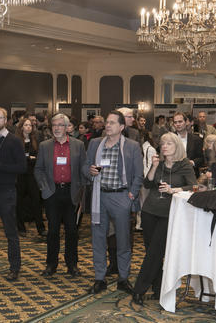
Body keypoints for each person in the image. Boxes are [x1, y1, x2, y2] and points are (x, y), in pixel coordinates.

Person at [132, 133, 197, 305]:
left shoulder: (184, 165)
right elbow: (147, 184)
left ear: (176, 146)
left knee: (154, 252)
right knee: (152, 253)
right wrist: (153, 167)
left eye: (169, 143)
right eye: (162, 143)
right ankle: (158, 288)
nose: (164, 146)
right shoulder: (159, 163)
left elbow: (194, 186)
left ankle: (139, 289)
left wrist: (174, 189)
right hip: (149, 211)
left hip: (170, 214)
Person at [82, 110, 143, 295]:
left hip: (121, 197)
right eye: (107, 122)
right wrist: (90, 171)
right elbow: (85, 167)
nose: (108, 125)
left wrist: (131, 195)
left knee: (123, 240)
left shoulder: (131, 146)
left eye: (112, 123)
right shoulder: (94, 144)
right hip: (99, 197)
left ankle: (123, 278)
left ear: (122, 127)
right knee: (98, 239)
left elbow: (139, 174)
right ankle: (99, 278)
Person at [34, 113, 86, 277]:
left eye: (60, 125)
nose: (56, 128)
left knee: (72, 231)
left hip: (71, 193)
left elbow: (83, 169)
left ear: (67, 127)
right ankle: (51, 264)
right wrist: (45, 189)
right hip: (52, 193)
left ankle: (72, 265)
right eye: (54, 125)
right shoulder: (44, 145)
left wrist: (83, 189)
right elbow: (38, 169)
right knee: (53, 231)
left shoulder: (78, 145)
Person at [0, 107, 26, 281]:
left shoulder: (14, 141)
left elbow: (22, 167)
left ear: (6, 120)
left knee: (10, 233)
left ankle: (14, 267)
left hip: (7, 192)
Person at [15, 117, 46, 238]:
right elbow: (17, 158)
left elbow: (38, 157)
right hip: (20, 175)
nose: (29, 127)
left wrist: (29, 159)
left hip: (32, 175)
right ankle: (20, 228)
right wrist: (29, 159)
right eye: (26, 125)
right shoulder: (17, 141)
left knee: (36, 202)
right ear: (21, 127)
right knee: (19, 202)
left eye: (30, 125)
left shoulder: (35, 140)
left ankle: (41, 228)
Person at [138, 130, 157, 230]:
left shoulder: (149, 149)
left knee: (144, 201)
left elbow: (150, 165)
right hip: (143, 178)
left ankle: (143, 223)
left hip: (145, 178)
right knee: (142, 201)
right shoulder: (144, 148)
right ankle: (141, 223)